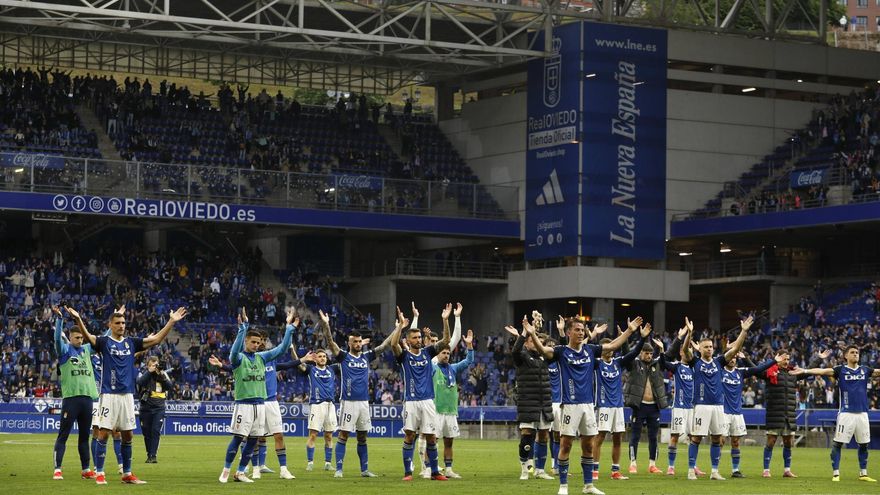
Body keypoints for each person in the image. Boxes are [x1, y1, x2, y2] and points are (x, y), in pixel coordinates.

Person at [68, 304, 186, 485]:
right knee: (104, 433)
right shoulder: (104, 343)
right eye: (117, 323)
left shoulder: (131, 343)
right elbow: (88, 337)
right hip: (109, 394)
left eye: (123, 322)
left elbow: (155, 340)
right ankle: (99, 473)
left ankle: (127, 474)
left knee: (128, 435)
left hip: (127, 396)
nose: (121, 325)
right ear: (110, 325)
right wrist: (78, 320)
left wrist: (171, 321)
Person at [529, 315, 642, 495]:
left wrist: (630, 331)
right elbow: (543, 350)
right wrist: (531, 333)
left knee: (588, 446)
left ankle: (588, 485)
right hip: (570, 405)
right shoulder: (561, 351)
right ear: (568, 332)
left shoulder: (590, 350)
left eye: (582, 330)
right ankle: (563, 486)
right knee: (565, 444)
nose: (581, 333)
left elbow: (613, 345)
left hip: (589, 406)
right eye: (577, 330)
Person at [218, 307, 294, 483]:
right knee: (237, 439)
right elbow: (233, 353)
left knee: (253, 441)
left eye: (258, 342)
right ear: (246, 341)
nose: (256, 345)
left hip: (260, 406)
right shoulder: (239, 359)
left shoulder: (262, 357)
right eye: (253, 342)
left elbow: (282, 349)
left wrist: (289, 329)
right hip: (243, 405)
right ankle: (226, 470)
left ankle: (241, 472)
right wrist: (243, 327)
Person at [319, 309, 394, 478]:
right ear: (350, 343)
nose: (359, 344)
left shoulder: (366, 357)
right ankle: (338, 469)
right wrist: (326, 325)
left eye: (360, 341)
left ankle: (364, 470)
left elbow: (383, 347)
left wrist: (397, 329)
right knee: (343, 434)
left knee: (362, 436)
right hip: (348, 402)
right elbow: (330, 342)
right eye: (355, 342)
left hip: (364, 403)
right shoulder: (344, 357)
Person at [793, 345, 880, 482]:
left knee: (863, 444)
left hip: (863, 413)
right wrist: (804, 370)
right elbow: (822, 371)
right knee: (838, 444)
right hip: (846, 413)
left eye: (857, 352)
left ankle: (863, 474)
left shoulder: (865, 370)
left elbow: (878, 372)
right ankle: (836, 473)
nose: (856, 354)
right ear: (845, 356)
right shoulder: (840, 370)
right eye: (852, 352)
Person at [682, 314, 753, 481]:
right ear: (699, 348)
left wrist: (743, 332)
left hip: (718, 406)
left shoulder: (719, 362)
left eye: (711, 347)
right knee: (696, 438)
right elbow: (685, 350)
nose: (709, 349)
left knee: (717, 438)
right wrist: (689, 334)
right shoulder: (695, 363)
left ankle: (714, 471)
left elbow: (735, 350)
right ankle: (691, 470)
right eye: (705, 347)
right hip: (701, 405)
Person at [388, 303, 451, 481]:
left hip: (428, 401)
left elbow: (445, 341)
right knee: (410, 435)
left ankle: (435, 472)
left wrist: (445, 320)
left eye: (419, 337)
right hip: (411, 401)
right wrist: (400, 326)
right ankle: (408, 472)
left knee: (431, 436)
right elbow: (393, 344)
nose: (418, 339)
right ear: (408, 340)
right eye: (414, 338)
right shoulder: (404, 356)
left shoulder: (427, 352)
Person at [756, 348, 829, 478]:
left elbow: (807, 371)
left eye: (788, 358)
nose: (786, 361)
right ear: (778, 358)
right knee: (771, 441)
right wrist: (745, 358)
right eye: (784, 358)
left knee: (789, 442)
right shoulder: (770, 372)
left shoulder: (792, 373)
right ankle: (766, 470)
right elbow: (755, 371)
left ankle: (787, 470)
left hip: (789, 414)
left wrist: (819, 358)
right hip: (774, 413)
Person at [246, 314, 299, 481]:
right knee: (254, 438)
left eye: (263, 340)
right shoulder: (248, 358)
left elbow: (284, 350)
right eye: (257, 340)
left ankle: (284, 469)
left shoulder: (270, 358)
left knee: (279, 435)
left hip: (272, 402)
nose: (260, 343)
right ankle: (255, 469)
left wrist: (288, 327)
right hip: (256, 402)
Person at [593, 323, 648, 480]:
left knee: (618, 438)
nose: (609, 350)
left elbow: (634, 353)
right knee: (600, 437)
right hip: (603, 406)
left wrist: (642, 338)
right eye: (606, 348)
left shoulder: (617, 363)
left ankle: (615, 471)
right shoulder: (596, 364)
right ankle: (594, 470)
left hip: (618, 406)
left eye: (611, 348)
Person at [721, 350, 785, 477]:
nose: (733, 360)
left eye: (735, 358)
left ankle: (735, 470)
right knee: (720, 441)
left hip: (737, 413)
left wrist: (773, 361)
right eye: (730, 357)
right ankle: (715, 470)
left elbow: (757, 369)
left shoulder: (740, 372)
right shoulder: (719, 372)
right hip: (723, 412)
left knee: (736, 442)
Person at [505, 315, 554, 481]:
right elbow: (516, 351)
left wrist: (559, 332)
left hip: (544, 402)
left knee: (544, 436)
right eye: (532, 340)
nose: (535, 343)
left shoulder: (545, 357)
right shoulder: (522, 357)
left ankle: (540, 470)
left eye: (537, 340)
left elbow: (559, 350)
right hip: (528, 402)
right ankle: (524, 468)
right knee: (527, 435)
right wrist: (524, 333)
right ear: (526, 342)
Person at [51, 307, 98, 481]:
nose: (80, 340)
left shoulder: (87, 349)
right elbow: (57, 338)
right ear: (70, 338)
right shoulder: (64, 351)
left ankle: (86, 469)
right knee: (63, 435)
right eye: (77, 337)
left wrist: (112, 325)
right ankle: (57, 469)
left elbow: (102, 341)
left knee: (85, 437)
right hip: (70, 400)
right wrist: (59, 320)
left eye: (81, 337)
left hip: (87, 400)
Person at [658, 319, 704, 477]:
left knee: (694, 437)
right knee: (675, 436)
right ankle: (671, 466)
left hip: (692, 408)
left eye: (690, 350)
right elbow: (663, 363)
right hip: (678, 407)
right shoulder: (677, 366)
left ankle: (694, 466)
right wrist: (662, 351)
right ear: (681, 352)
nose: (688, 352)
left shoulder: (695, 368)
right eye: (686, 350)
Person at [623, 324, 668, 475]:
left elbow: (666, 360)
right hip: (639, 406)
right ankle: (633, 463)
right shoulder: (634, 365)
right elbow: (627, 354)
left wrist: (662, 350)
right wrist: (624, 339)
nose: (649, 356)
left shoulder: (657, 364)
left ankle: (652, 464)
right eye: (646, 353)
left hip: (653, 407)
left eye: (650, 353)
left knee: (653, 437)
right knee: (634, 436)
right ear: (641, 353)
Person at [432, 328, 475, 478]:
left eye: (448, 353)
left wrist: (469, 345)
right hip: (436, 410)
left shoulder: (453, 368)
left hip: (450, 411)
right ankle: (429, 468)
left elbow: (469, 361)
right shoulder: (432, 367)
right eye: (443, 353)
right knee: (433, 441)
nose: (446, 355)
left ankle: (448, 469)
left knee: (449, 442)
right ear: (437, 355)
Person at [291, 344, 338, 476]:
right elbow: (297, 363)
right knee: (313, 435)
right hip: (317, 405)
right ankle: (310, 463)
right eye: (320, 357)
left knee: (329, 436)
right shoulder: (311, 369)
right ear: (315, 359)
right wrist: (292, 349)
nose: (322, 358)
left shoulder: (332, 369)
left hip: (330, 405)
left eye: (324, 356)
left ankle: (328, 463)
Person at [137, 356, 171, 464]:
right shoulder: (144, 373)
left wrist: (161, 375)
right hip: (145, 408)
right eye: (152, 365)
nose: (154, 367)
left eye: (156, 365)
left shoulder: (162, 373)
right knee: (146, 432)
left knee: (155, 431)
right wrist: (149, 372)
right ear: (148, 365)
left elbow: (170, 386)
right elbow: (139, 382)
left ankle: (153, 455)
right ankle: (149, 454)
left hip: (159, 408)